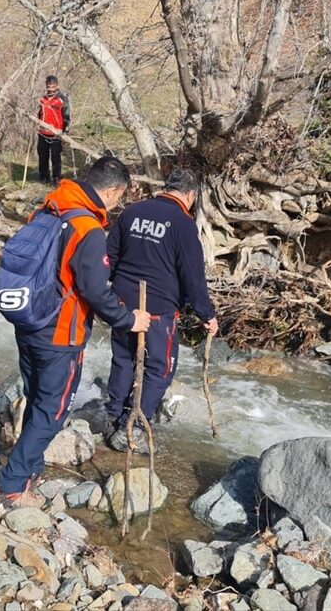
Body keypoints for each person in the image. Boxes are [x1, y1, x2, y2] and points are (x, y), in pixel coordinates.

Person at [0, 156, 150, 508]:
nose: (116, 204)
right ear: (111, 191)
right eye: (119, 197)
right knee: (52, 410)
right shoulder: (88, 230)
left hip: (30, 321)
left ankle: (29, 469)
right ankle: (11, 486)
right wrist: (130, 320)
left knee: (36, 397)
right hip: (61, 334)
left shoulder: (49, 209)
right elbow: (96, 292)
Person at [104, 168, 218, 453]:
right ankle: (135, 426)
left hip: (122, 304)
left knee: (123, 359)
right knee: (160, 368)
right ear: (190, 195)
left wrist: (116, 288)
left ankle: (114, 415)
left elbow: (111, 253)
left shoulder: (132, 211)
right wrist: (207, 314)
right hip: (157, 310)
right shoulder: (183, 223)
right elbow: (193, 275)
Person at [36, 75, 71, 185]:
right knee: (43, 156)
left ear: (57, 86)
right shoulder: (43, 99)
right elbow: (40, 114)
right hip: (43, 133)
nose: (51, 89)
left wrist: (64, 132)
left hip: (56, 133)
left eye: (53, 86)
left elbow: (66, 116)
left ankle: (56, 178)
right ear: (46, 86)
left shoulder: (62, 99)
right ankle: (44, 177)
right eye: (49, 87)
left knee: (56, 157)